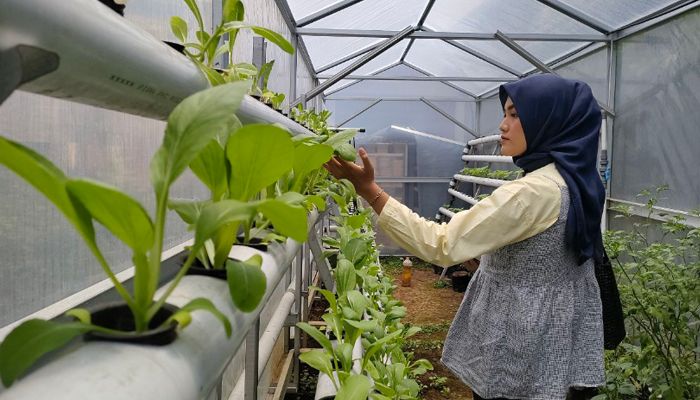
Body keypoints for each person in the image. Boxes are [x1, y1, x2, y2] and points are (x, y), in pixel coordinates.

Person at [323, 74, 605, 400]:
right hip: (559, 336)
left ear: (549, 120)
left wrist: (370, 191)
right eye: (504, 113)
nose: (502, 125)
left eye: (515, 114)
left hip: (520, 344)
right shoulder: (576, 178)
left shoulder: (533, 192)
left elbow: (441, 244)